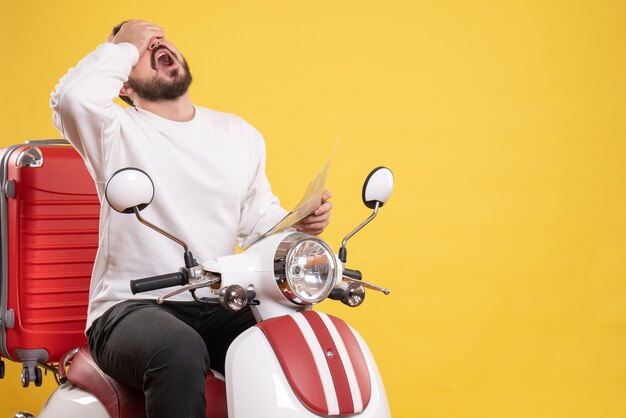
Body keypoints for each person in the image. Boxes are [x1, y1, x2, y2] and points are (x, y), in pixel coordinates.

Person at [50, 19, 332, 418]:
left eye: (159, 38)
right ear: (122, 85)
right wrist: (124, 46)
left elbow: (258, 223)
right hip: (131, 308)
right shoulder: (113, 131)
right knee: (178, 349)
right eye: (142, 48)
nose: (155, 44)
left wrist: (298, 221)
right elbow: (71, 100)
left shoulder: (239, 134)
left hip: (217, 300)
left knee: (294, 337)